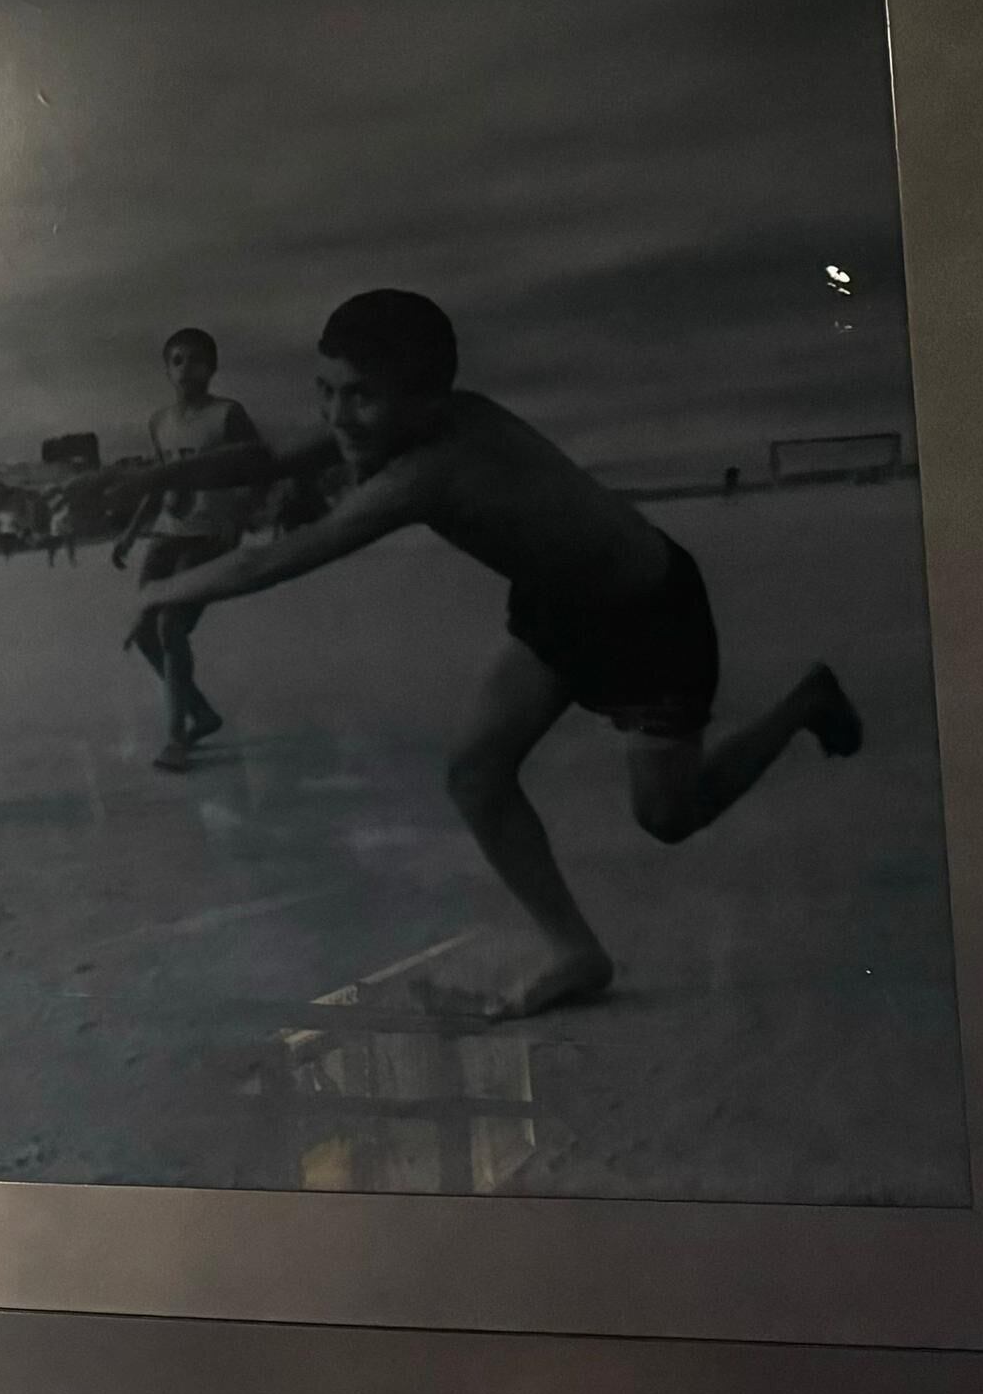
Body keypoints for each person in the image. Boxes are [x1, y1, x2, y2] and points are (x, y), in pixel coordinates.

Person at [76, 289, 860, 1018]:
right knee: (476, 775)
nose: (338, 416)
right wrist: (160, 473)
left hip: (648, 618)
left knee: (669, 816)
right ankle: (576, 953)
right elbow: (272, 458)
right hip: (557, 607)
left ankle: (804, 703)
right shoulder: (399, 423)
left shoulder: (434, 468)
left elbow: (289, 553)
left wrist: (157, 594)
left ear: (423, 401)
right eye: (328, 390)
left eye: (361, 396)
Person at [124, 327, 257, 770]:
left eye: (197, 359)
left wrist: (239, 519)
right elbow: (160, 480)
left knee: (170, 626)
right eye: (177, 360)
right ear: (167, 369)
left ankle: (176, 737)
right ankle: (201, 712)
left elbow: (258, 468)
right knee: (145, 632)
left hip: (208, 536)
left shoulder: (227, 415)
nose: (187, 368)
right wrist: (131, 531)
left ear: (212, 368)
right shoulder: (159, 421)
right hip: (166, 536)